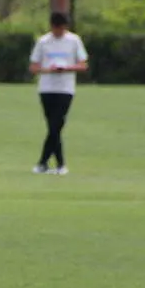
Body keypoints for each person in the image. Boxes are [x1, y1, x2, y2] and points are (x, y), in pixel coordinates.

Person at [29, 11, 89, 175]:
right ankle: (58, 165)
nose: (58, 32)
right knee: (52, 126)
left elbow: (83, 65)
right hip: (47, 88)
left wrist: (66, 68)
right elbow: (33, 67)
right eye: (56, 28)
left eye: (61, 29)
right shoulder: (43, 42)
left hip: (65, 89)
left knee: (57, 124)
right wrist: (49, 70)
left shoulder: (74, 41)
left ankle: (45, 163)